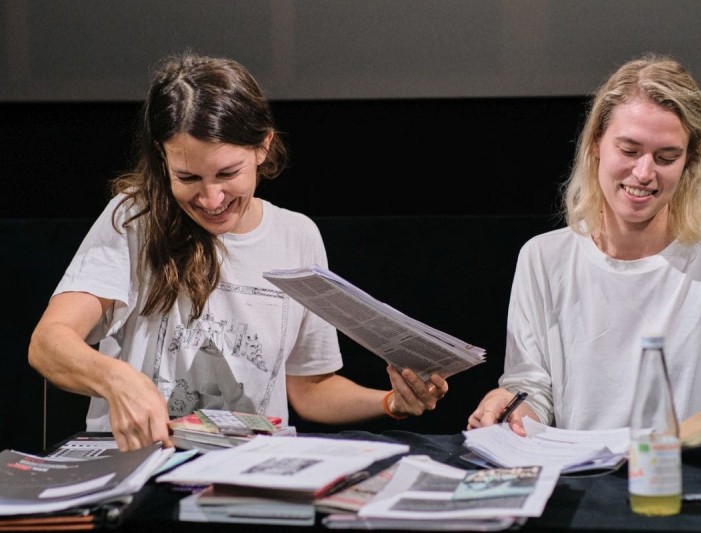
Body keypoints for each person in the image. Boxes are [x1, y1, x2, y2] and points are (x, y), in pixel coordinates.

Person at [28, 51, 447, 452]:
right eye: (188, 176)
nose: (211, 199)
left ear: (262, 147)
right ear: (162, 157)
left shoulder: (297, 235)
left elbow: (310, 389)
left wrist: (390, 402)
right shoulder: (136, 216)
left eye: (228, 174)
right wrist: (116, 379)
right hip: (144, 466)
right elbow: (49, 343)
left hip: (250, 473)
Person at [467, 53, 701, 441]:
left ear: (690, 161)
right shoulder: (543, 258)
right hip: (586, 482)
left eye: (667, 157)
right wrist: (512, 408)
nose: (644, 173)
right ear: (597, 143)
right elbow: (532, 391)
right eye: (630, 151)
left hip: (694, 482)